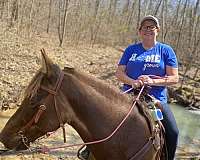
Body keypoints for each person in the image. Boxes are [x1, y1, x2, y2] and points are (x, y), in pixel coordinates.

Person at [115, 15, 179, 160]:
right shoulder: (131, 50)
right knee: (102, 115)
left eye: (152, 27)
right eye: (145, 27)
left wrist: (151, 81)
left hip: (156, 99)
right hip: (128, 95)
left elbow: (174, 78)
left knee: (173, 132)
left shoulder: (166, 50)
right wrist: (132, 81)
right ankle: (90, 151)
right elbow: (119, 73)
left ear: (158, 30)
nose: (148, 30)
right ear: (140, 31)